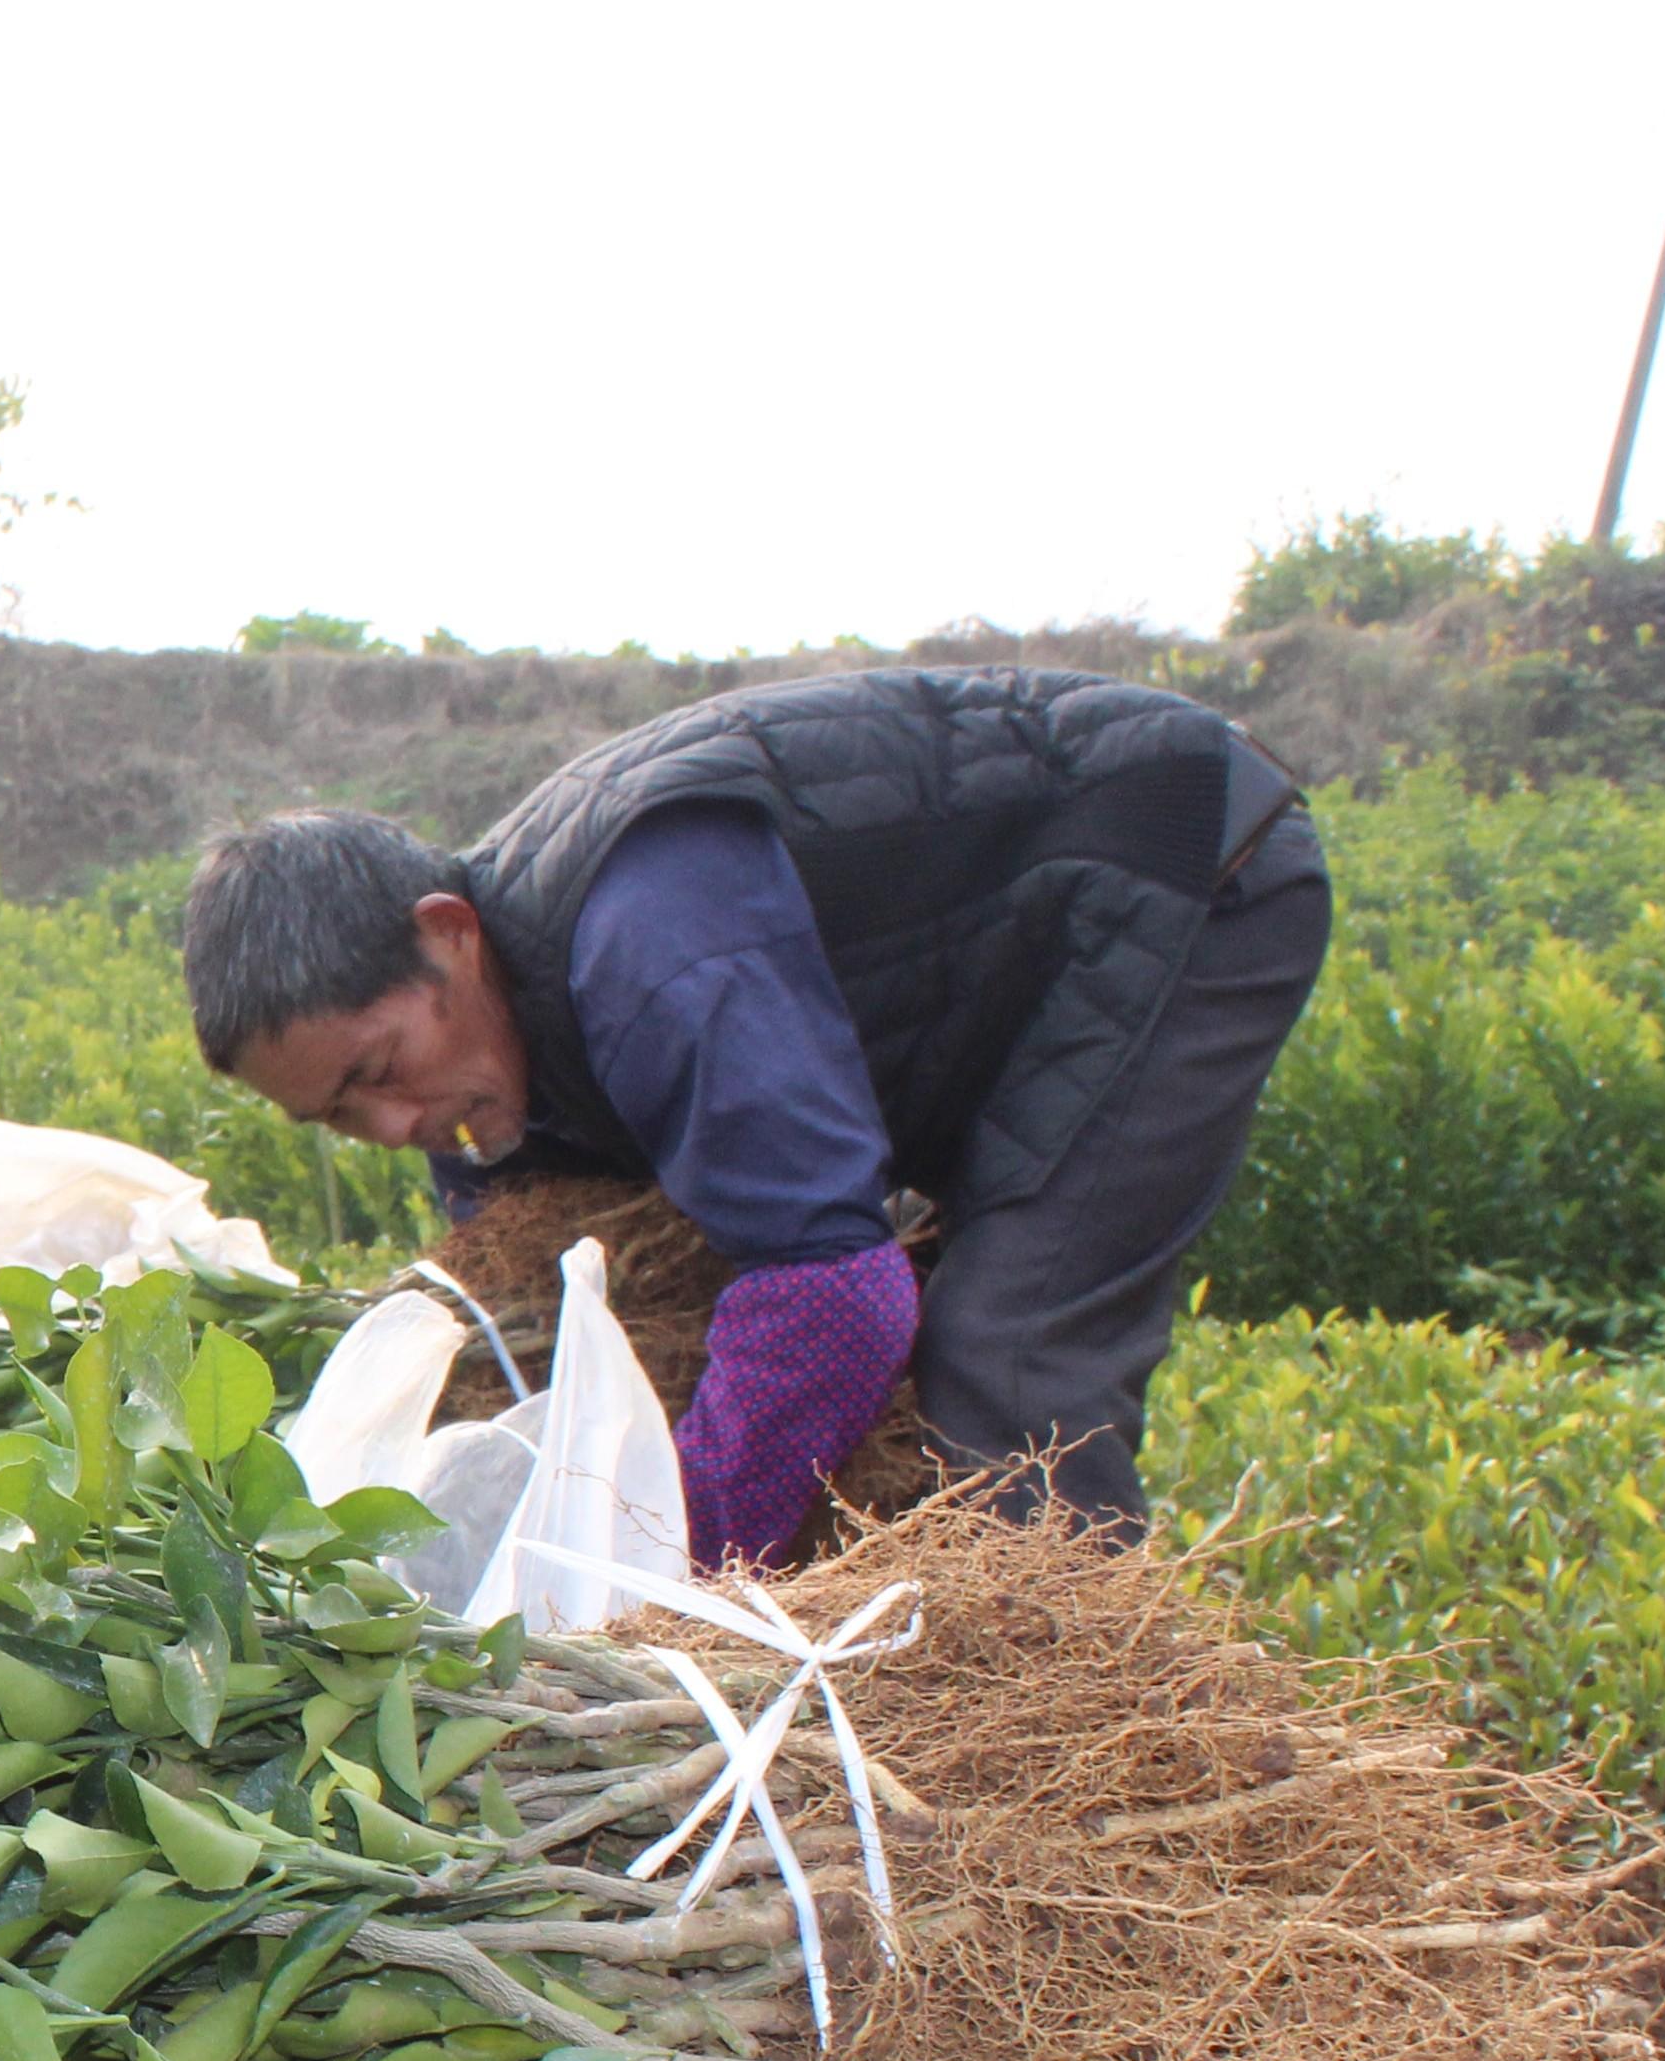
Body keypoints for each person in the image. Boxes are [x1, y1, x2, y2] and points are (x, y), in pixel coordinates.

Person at [184, 666, 1329, 1564]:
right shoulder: (496, 1051)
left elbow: (831, 1293)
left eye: (381, 1068)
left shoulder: (648, 940)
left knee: (1008, 1346)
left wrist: (662, 1577)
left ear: (450, 934)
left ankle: (1073, 1736)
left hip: (1170, 869)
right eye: (340, 1118)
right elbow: (547, 1316)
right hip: (982, 983)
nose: (390, 1127)